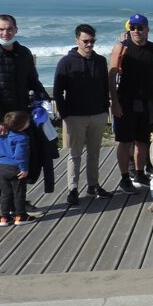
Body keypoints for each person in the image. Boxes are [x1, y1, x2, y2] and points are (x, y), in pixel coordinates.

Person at [0, 14, 49, 226]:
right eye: (1, 29)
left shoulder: (23, 53)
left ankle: (18, 204)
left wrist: (43, 99)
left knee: (21, 160)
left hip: (21, 118)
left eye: (9, 29)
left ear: (16, 30)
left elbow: (33, 81)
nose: (5, 33)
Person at [108, 14, 153, 194]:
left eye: (140, 27)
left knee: (143, 141)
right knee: (125, 141)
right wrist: (114, 101)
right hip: (126, 101)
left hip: (149, 101)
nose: (136, 31)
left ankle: (140, 174)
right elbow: (111, 75)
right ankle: (125, 178)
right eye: (132, 28)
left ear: (147, 29)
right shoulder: (122, 48)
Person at [54, 24, 111, 205]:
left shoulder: (101, 61)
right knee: (75, 154)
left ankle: (93, 185)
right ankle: (73, 188)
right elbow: (57, 91)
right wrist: (65, 114)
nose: (89, 44)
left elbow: (105, 86)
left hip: (98, 114)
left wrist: (105, 108)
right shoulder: (66, 62)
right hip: (75, 116)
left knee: (94, 153)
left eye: (92, 41)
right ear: (77, 40)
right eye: (85, 41)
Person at [0, 110, 36, 226]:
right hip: (15, 169)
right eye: (27, 121)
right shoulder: (22, 138)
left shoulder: (2, 136)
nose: (29, 123)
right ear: (22, 125)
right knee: (19, 193)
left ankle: (4, 217)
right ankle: (20, 216)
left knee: (5, 193)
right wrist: (24, 169)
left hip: (2, 169)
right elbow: (19, 154)